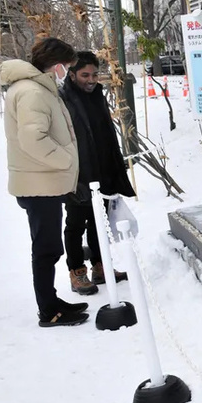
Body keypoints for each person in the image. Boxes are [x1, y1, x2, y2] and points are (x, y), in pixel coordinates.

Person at [1, 37, 89, 327]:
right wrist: (66, 159)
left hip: (43, 182)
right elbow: (33, 139)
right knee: (46, 249)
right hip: (39, 185)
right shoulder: (32, 92)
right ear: (56, 64)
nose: (66, 71)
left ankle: (51, 302)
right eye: (66, 65)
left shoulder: (36, 88)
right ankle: (48, 311)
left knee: (48, 247)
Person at [60, 51, 135, 295]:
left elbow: (105, 131)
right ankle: (76, 271)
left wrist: (115, 161)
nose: (91, 79)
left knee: (99, 221)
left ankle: (100, 266)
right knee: (75, 223)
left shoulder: (98, 95)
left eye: (94, 74)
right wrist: (70, 174)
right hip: (78, 173)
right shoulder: (62, 99)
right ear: (72, 75)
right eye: (84, 75)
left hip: (102, 167)